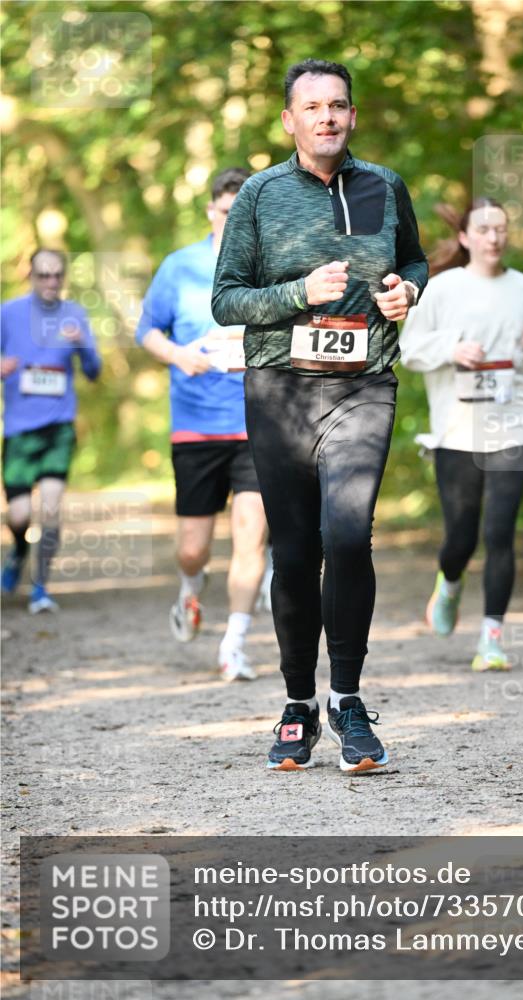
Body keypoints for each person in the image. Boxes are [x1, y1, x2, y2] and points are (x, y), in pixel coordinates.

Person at [212, 59, 428, 771]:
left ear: (352, 116)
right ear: (289, 120)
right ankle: (297, 703)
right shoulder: (260, 196)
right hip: (279, 388)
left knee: (349, 533)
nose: (326, 117)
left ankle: (349, 699)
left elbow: (416, 263)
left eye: (338, 105)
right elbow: (227, 300)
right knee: (296, 550)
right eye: (312, 107)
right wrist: (299, 291)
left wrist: (405, 293)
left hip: (363, 383)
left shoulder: (384, 186)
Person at [401, 198, 523, 670]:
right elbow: (408, 349)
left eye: (501, 229)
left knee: (501, 531)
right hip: (457, 426)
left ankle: (491, 637)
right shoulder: (441, 289)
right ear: (466, 238)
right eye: (484, 229)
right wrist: (453, 348)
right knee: (461, 537)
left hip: (516, 420)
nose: (494, 237)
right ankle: (449, 583)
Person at [135, 168, 268, 681]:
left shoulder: (269, 266)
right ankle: (191, 589)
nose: (232, 220)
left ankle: (234, 644)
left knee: (251, 538)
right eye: (224, 211)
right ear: (211, 211)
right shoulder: (180, 266)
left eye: (243, 214)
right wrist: (177, 355)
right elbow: (146, 329)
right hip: (195, 424)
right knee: (193, 548)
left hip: (257, 421)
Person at [1, 249, 102, 613]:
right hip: (19, 431)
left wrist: (82, 346)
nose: (51, 282)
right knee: (19, 515)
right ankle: (19, 550)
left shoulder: (74, 314)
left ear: (64, 277)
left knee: (52, 511)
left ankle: (40, 586)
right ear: (30, 275)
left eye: (57, 275)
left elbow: (93, 369)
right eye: (43, 275)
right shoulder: (9, 313)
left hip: (58, 428)